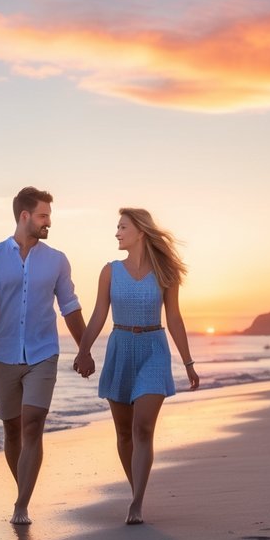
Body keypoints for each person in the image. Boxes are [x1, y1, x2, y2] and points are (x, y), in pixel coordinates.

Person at [0, 187, 86, 524]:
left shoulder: (56, 260)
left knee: (33, 425)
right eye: (44, 215)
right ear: (25, 216)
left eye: (49, 215)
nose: (49, 222)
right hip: (2, 355)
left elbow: (70, 307)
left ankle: (21, 505)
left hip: (43, 353)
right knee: (13, 430)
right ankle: (26, 490)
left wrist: (85, 348)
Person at [74, 208, 199, 524]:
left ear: (140, 231)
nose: (117, 233)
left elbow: (174, 318)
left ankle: (137, 504)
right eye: (117, 227)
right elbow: (99, 314)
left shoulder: (166, 272)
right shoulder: (110, 271)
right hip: (120, 348)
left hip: (154, 349)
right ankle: (136, 490)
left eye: (122, 227)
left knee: (143, 427)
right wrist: (84, 349)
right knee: (124, 432)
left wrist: (188, 363)